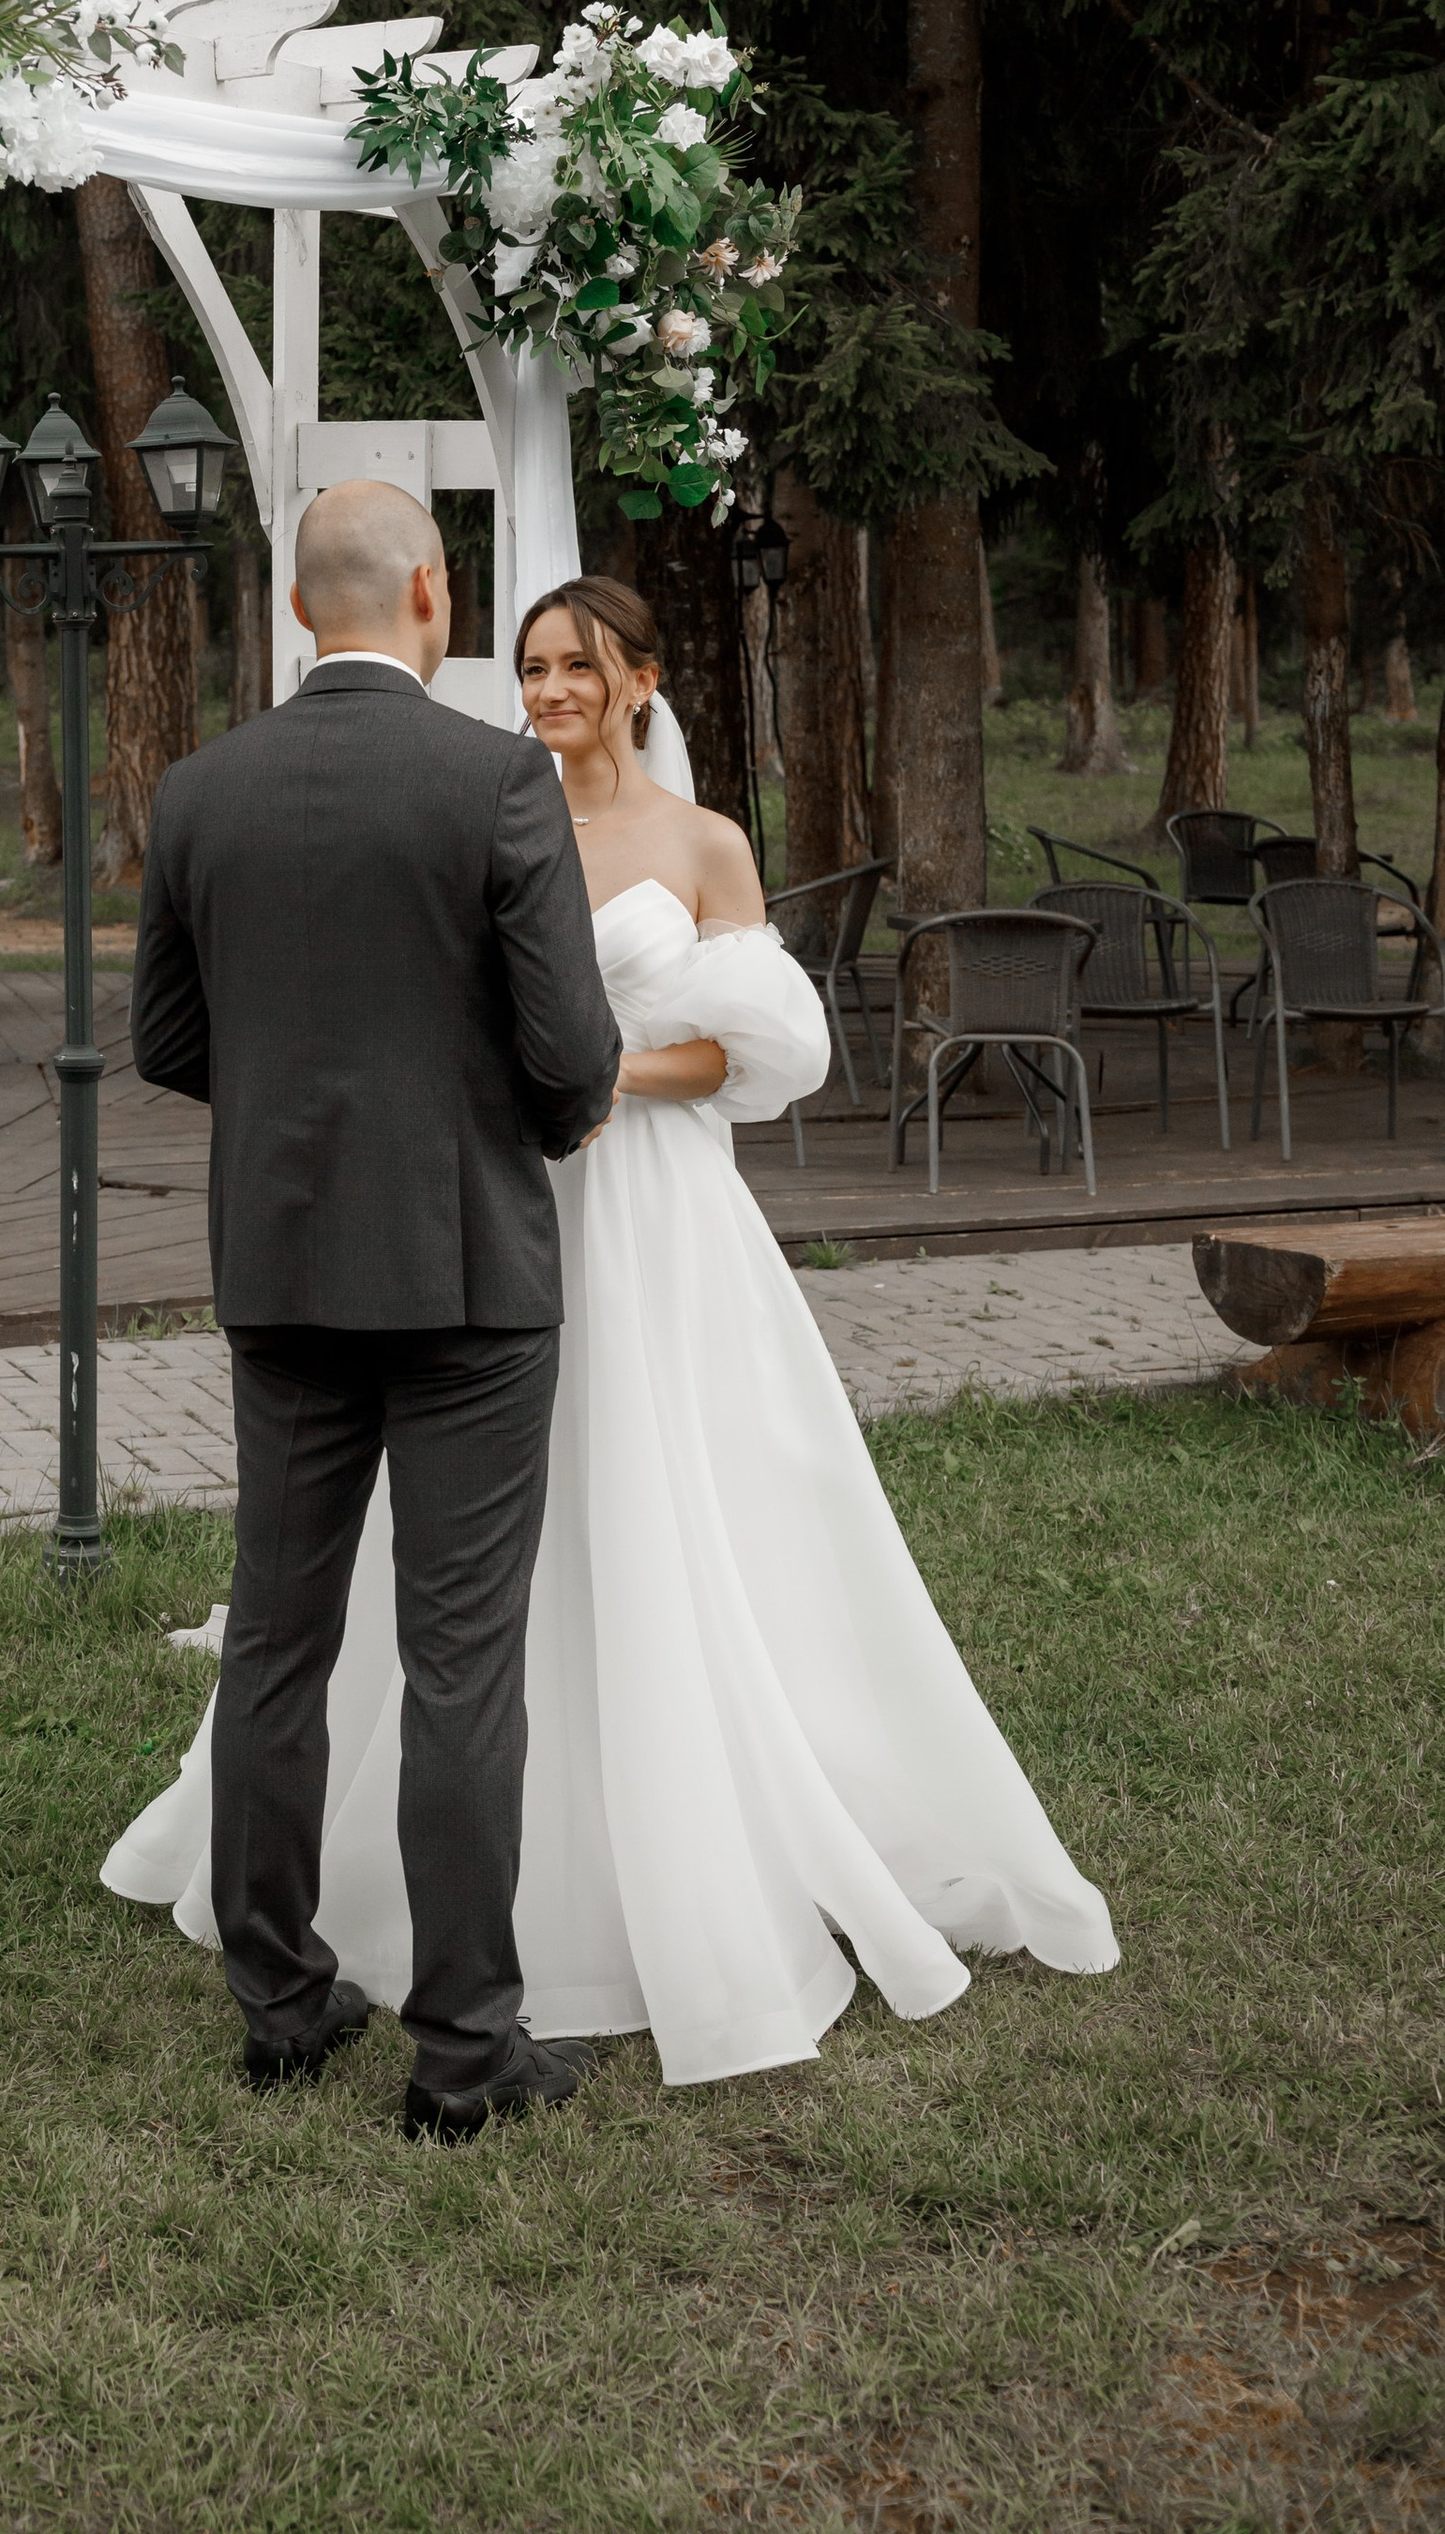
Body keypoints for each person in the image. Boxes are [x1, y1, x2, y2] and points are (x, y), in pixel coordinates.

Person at [109, 571, 1120, 2094]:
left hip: (632, 1210)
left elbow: (761, 1047)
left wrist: (600, 1086)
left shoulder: (697, 841)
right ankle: (460, 2001)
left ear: (642, 679)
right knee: (457, 1612)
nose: (550, 689)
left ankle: (608, 1866)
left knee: (632, 1515)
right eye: (531, 664)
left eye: (577, 665)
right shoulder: (478, 798)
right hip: (486, 1215)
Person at [127, 482, 620, 2137]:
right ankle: (466, 2051)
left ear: (295, 609)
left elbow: (167, 1040)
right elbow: (572, 1050)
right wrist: (539, 1121)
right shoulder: (496, 777)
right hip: (469, 1272)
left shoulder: (200, 789)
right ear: (432, 591)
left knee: (277, 1636)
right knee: (461, 1654)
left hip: (281, 1267)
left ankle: (280, 2000)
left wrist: (293, 1107)